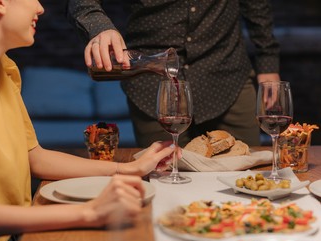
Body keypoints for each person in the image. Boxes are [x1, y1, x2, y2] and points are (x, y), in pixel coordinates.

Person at [0, 0, 176, 241]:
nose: (40, 8)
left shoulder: (3, 70)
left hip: (14, 240)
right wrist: (92, 212)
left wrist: (127, 169)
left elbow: (34, 157)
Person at [66, 0, 281, 147]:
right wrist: (100, 27)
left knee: (244, 175)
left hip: (227, 74)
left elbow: (257, 5)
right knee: (165, 179)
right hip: (152, 84)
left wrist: (268, 61)